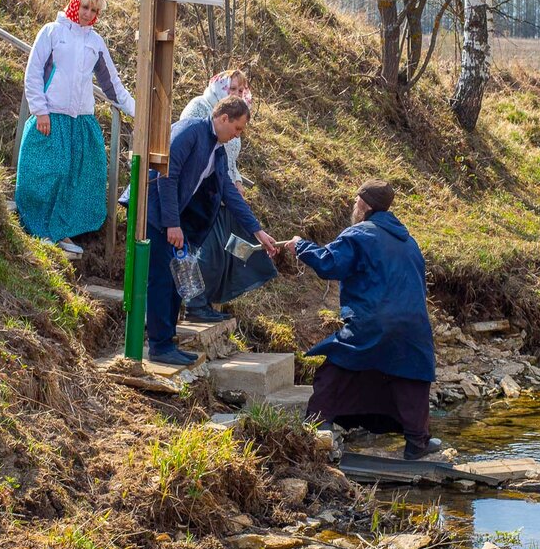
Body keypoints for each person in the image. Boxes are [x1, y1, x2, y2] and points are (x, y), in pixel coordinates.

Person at [287, 180, 441, 460]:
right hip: (414, 324)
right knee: (410, 378)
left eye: (355, 202)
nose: (353, 207)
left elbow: (329, 263)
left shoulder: (359, 234)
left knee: (339, 365)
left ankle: (316, 425)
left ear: (365, 205)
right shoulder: (408, 240)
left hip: (374, 320)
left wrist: (300, 246)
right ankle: (417, 443)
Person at [140, 96, 278, 366]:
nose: (238, 135)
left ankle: (167, 341)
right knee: (161, 279)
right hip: (154, 212)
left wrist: (257, 231)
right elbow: (166, 175)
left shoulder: (217, 149)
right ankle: (158, 345)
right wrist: (172, 223)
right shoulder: (190, 130)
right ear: (223, 118)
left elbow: (229, 191)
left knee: (176, 281)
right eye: (237, 128)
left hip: (174, 218)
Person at [15, 0, 135, 254]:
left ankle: (62, 232)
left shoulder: (96, 42)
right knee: (49, 171)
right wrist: (40, 110)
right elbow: (33, 72)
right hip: (51, 115)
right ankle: (39, 229)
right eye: (85, 8)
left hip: (80, 118)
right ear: (74, 5)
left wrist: (138, 110)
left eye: (94, 11)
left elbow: (112, 84)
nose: (88, 14)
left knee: (79, 175)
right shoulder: (52, 32)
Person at [177, 70, 277, 322]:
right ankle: (194, 304)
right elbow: (189, 160)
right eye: (232, 89)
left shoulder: (226, 138)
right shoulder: (198, 112)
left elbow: (227, 162)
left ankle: (208, 301)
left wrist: (236, 182)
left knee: (229, 250)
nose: (237, 94)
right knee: (203, 253)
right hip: (194, 198)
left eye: (240, 90)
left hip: (221, 194)